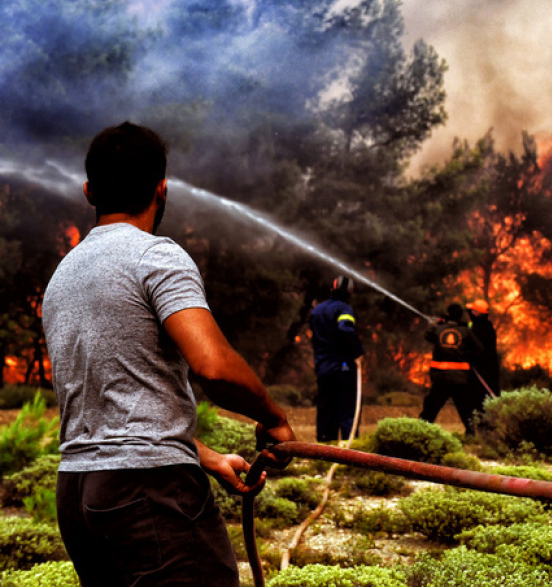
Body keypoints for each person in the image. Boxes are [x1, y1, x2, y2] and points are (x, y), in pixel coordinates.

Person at [42, 121, 296, 587]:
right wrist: (273, 417)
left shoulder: (64, 276)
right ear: (162, 188)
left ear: (89, 191)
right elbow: (214, 368)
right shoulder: (155, 256)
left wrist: (204, 455)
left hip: (79, 494)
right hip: (148, 492)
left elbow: (111, 406)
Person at [309, 275, 365, 442]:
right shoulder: (344, 309)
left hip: (323, 367)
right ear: (350, 293)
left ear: (332, 289)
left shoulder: (317, 310)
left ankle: (325, 450)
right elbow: (345, 329)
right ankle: (350, 452)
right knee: (348, 410)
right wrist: (357, 352)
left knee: (326, 409)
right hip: (343, 367)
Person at [419, 303, 483, 434]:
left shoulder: (438, 330)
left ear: (447, 314)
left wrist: (436, 324)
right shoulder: (466, 331)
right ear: (460, 316)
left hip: (440, 378)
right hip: (460, 379)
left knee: (431, 407)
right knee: (465, 408)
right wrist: (466, 355)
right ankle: (471, 434)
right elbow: (479, 350)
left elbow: (428, 336)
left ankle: (420, 432)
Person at [466, 299, 500, 412]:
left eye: (472, 311)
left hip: (481, 368)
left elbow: (476, 347)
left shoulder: (480, 328)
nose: (470, 313)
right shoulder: (485, 326)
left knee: (481, 396)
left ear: (477, 313)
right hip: (488, 367)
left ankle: (484, 421)